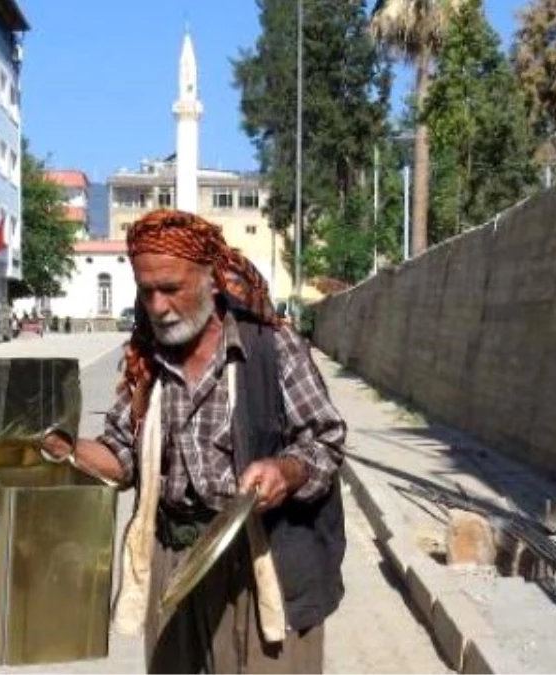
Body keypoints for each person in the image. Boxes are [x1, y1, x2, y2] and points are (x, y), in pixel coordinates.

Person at [40, 209, 347, 674]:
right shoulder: (147, 361)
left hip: (262, 561)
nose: (158, 306)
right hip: (176, 564)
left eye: (171, 289)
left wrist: (284, 471)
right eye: (146, 292)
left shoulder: (271, 347)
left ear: (212, 279)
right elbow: (123, 456)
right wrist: (68, 449)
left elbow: (324, 442)